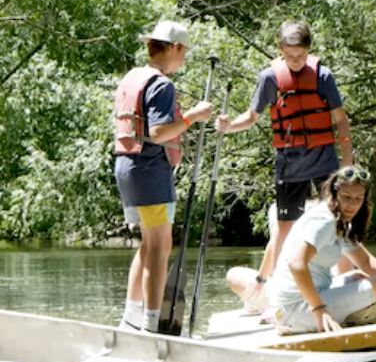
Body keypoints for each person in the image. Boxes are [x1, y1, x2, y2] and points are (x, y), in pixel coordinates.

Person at [216, 20, 353, 303]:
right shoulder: (270, 78)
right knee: (285, 227)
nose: (296, 61)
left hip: (324, 161)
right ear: (280, 50)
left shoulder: (322, 76)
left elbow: (340, 120)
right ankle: (275, 291)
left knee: (337, 222)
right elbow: (252, 117)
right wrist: (229, 126)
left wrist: (347, 165)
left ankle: (345, 282)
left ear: (309, 51)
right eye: (290, 56)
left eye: (301, 56)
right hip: (290, 165)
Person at [115, 20, 214, 331]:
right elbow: (158, 133)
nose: (184, 58)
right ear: (173, 48)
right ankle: (150, 324)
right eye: (184, 51)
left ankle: (130, 319)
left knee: (148, 244)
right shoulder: (161, 85)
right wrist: (193, 117)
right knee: (160, 247)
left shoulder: (133, 76)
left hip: (127, 167)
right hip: (149, 170)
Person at [267, 165, 376, 334]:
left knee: (358, 276)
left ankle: (358, 312)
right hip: (295, 311)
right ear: (334, 194)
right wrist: (319, 309)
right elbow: (297, 264)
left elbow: (366, 262)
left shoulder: (337, 220)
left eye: (359, 199)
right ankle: (353, 317)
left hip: (303, 301)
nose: (353, 205)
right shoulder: (324, 221)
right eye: (347, 197)